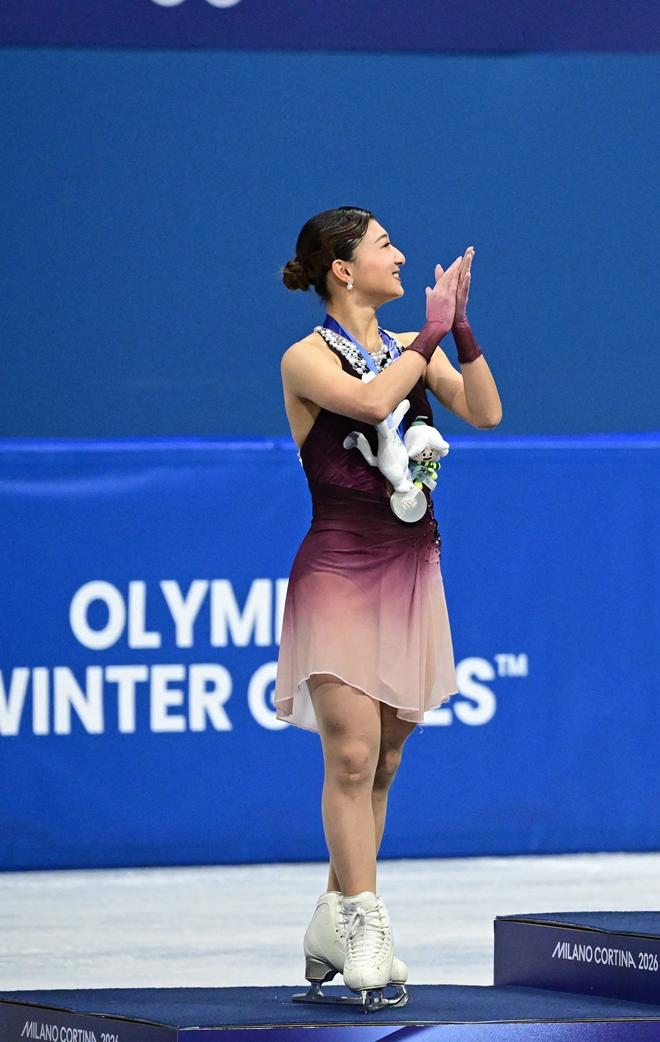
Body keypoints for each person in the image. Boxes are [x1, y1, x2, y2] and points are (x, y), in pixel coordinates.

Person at [276, 208, 502, 1006]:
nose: (401, 256)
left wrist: (458, 329)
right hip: (338, 569)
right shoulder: (305, 358)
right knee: (350, 754)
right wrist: (429, 335)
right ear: (343, 269)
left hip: (410, 572)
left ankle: (331, 916)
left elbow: (486, 411)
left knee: (385, 761)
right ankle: (366, 923)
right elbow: (372, 404)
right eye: (383, 246)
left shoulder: (415, 346)